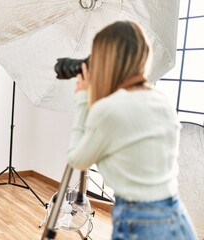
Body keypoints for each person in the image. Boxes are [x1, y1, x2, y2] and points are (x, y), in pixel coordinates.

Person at [67, 21, 197, 239]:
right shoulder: (162, 101)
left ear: (106, 61)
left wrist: (82, 99)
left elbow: (77, 160)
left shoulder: (109, 110)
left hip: (141, 223)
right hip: (177, 218)